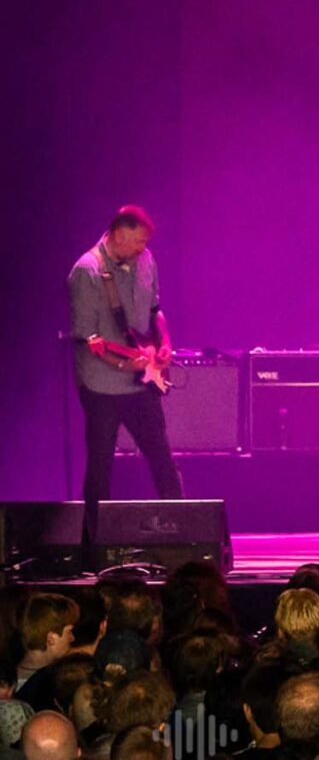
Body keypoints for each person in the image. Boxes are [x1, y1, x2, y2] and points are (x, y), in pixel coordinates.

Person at [67, 204, 185, 565]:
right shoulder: (87, 272)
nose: (142, 247)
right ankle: (94, 547)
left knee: (162, 457)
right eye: (137, 240)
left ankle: (182, 534)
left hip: (141, 380)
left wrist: (162, 343)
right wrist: (123, 362)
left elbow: (154, 310)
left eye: (145, 241)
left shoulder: (146, 259)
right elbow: (89, 337)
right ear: (118, 234)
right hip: (101, 384)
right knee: (100, 465)